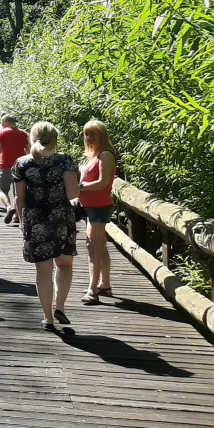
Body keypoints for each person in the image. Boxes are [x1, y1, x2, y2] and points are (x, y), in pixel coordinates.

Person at [12, 122, 80, 331]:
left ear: (32, 138)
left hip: (35, 219)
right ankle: (60, 306)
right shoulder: (66, 161)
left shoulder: (22, 163)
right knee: (64, 265)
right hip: (61, 219)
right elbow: (72, 195)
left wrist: (22, 222)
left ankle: (48, 317)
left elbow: (19, 198)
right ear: (55, 139)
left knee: (43, 271)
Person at [79, 119, 118, 304]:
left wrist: (80, 187)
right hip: (91, 206)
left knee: (92, 247)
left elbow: (103, 182)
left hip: (99, 207)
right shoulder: (93, 155)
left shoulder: (105, 155)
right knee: (100, 246)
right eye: (87, 134)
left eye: (93, 133)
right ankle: (105, 285)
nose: (89, 137)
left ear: (102, 135)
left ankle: (92, 290)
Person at [0, 115, 30, 225]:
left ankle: (8, 207)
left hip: (5, 166)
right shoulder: (23, 133)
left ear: (5, 122)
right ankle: (17, 216)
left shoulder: (2, 132)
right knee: (18, 193)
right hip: (21, 166)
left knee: (1, 189)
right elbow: (28, 149)